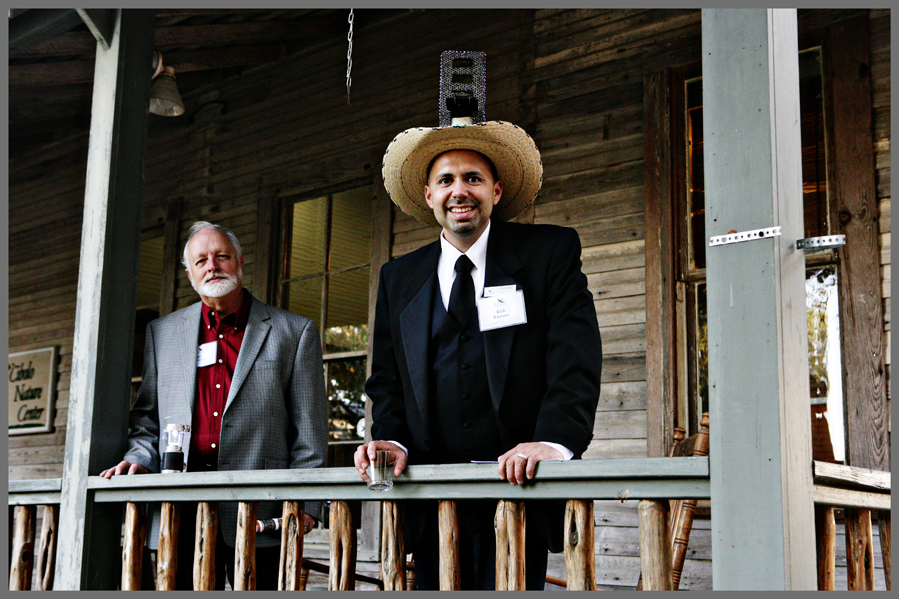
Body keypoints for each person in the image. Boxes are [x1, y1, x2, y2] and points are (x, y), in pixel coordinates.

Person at [354, 120, 603, 589]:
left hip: (518, 488)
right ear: (429, 195)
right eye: (446, 180)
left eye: (473, 178)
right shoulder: (398, 277)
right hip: (430, 496)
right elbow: (386, 379)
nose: (459, 191)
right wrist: (392, 440)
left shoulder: (549, 252)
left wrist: (552, 442)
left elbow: (575, 358)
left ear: (496, 190)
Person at [101, 221, 328, 590]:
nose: (213, 266)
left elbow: (310, 429)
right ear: (189, 273)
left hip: (262, 509)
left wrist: (306, 504)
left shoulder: (294, 331)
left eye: (222, 256)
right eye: (201, 260)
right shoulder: (163, 332)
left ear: (239, 262)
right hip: (180, 506)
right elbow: (147, 418)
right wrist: (140, 457)